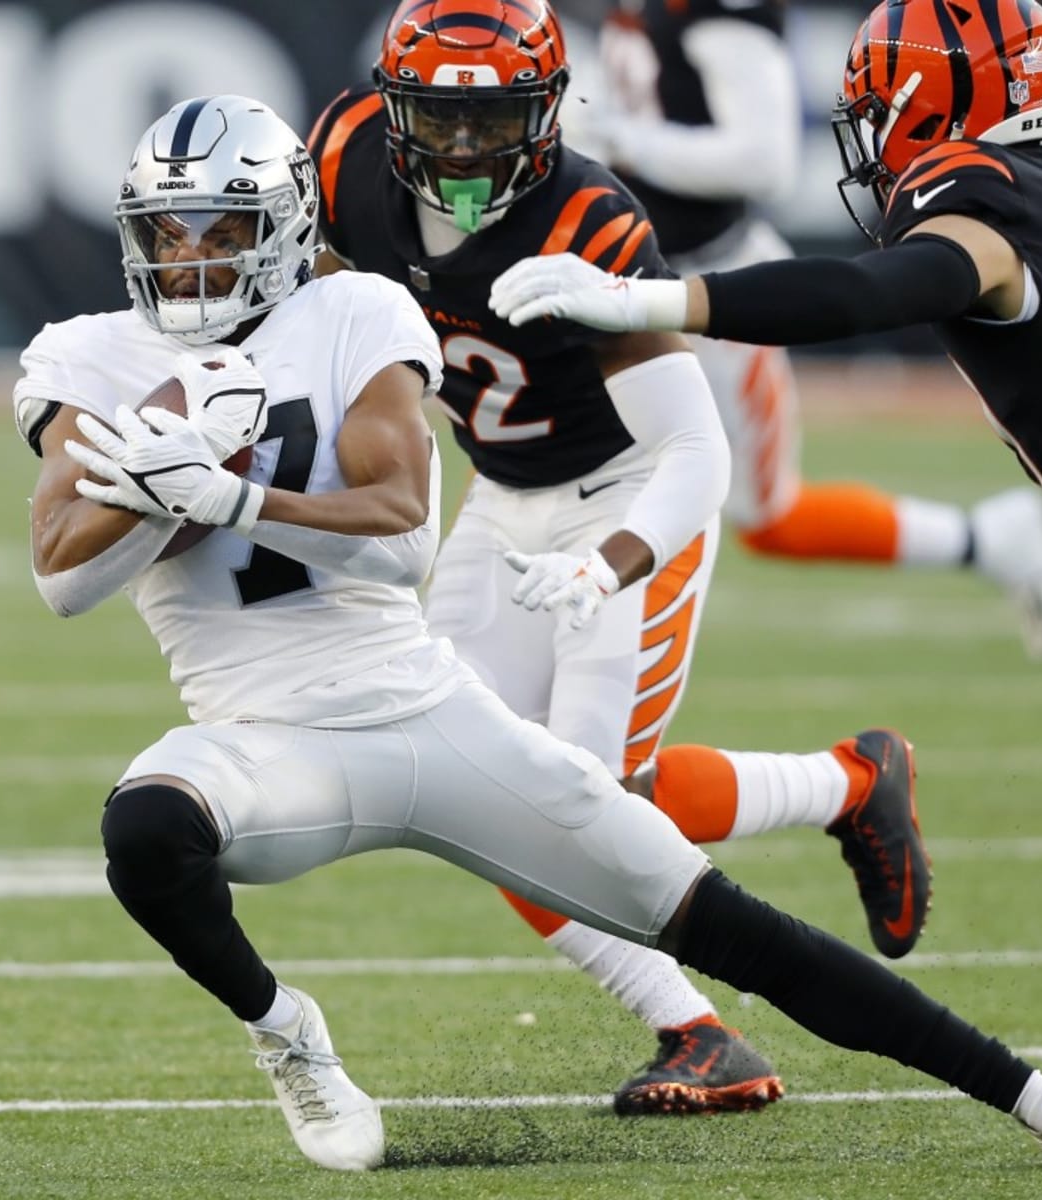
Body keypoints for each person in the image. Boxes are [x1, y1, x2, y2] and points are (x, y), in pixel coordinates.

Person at [16, 87, 1042, 1179]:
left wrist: (236, 495)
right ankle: (291, 1037)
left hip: (431, 707)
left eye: (221, 229)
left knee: (736, 929)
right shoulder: (89, 354)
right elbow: (64, 577)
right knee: (148, 827)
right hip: (264, 745)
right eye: (166, 232)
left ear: (281, 228)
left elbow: (401, 535)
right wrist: (153, 482)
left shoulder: (357, 308)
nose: (190, 257)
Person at [307, 0, 930, 1117]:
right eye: (436, 123)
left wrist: (611, 563)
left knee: (575, 805)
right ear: (388, 110)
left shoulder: (588, 216)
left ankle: (768, 918)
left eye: (489, 121)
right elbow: (325, 292)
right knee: (473, 786)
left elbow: (694, 451)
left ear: (546, 111)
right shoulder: (347, 152)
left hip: (629, 502)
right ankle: (826, 820)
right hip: (502, 500)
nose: (459, 153)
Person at [491, 0, 1042, 979]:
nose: (870, 142)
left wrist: (650, 299)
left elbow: (868, 294)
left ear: (929, 100)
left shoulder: (988, 208)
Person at [557, 0, 1042, 662]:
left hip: (711, 287)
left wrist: (619, 139)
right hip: (622, 276)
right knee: (572, 468)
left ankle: (987, 538)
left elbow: (765, 161)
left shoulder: (720, 14)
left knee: (767, 518)